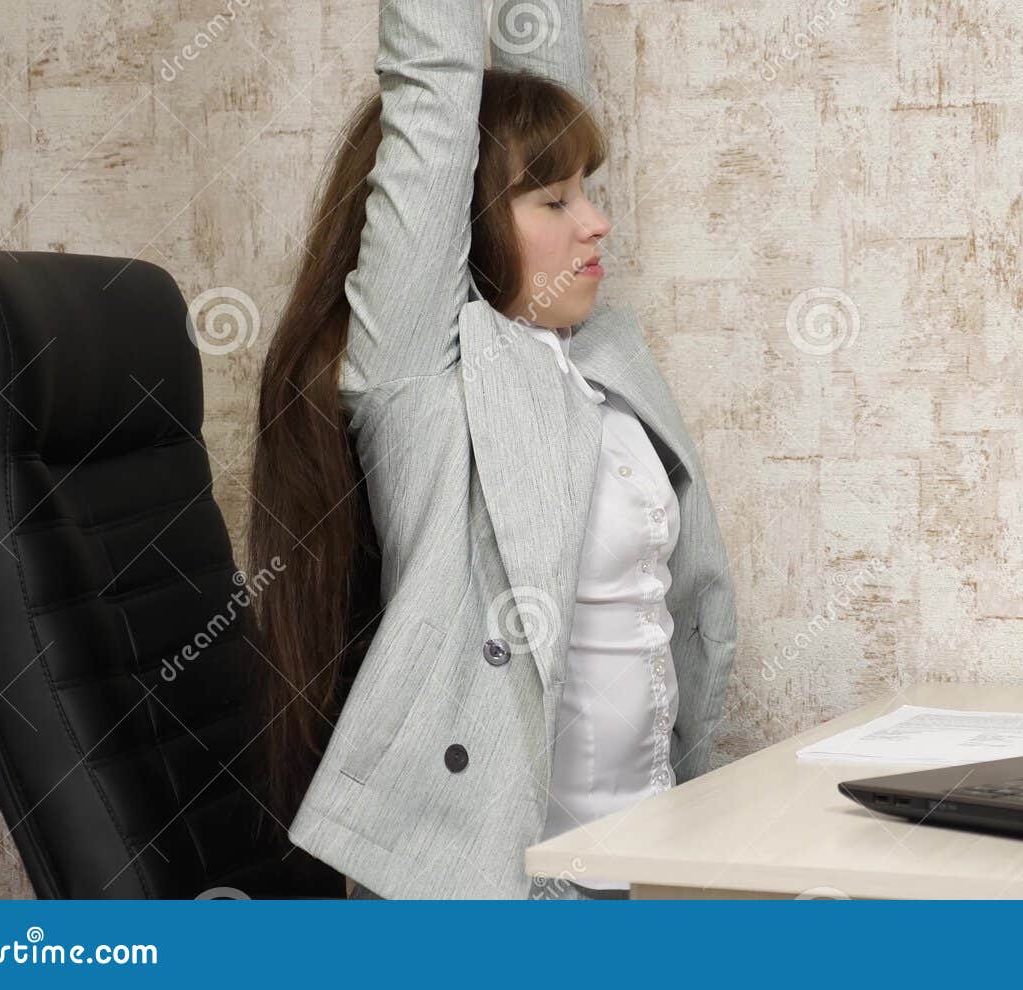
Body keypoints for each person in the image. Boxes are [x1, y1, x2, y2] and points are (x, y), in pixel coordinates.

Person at [245, 0, 739, 899]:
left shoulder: (593, 357)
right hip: (501, 899)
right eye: (555, 201)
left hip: (647, 870)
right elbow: (435, 99)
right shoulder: (422, 375)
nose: (596, 223)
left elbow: (542, 70)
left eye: (588, 190)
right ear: (461, 230)